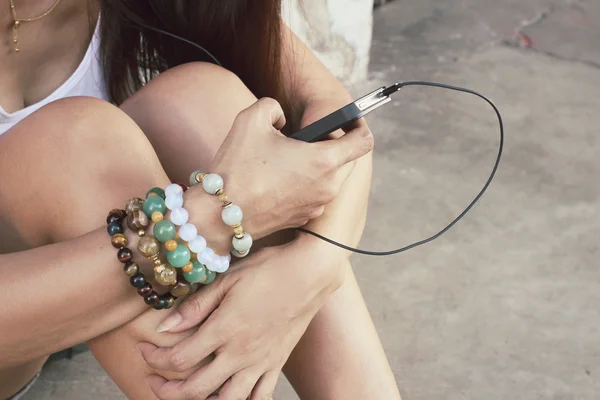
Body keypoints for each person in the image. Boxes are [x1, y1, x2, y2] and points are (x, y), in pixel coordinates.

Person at [0, 1, 402, 399]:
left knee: (198, 98)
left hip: (94, 287)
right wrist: (204, 223)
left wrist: (310, 270)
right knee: (72, 144)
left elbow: (333, 116)